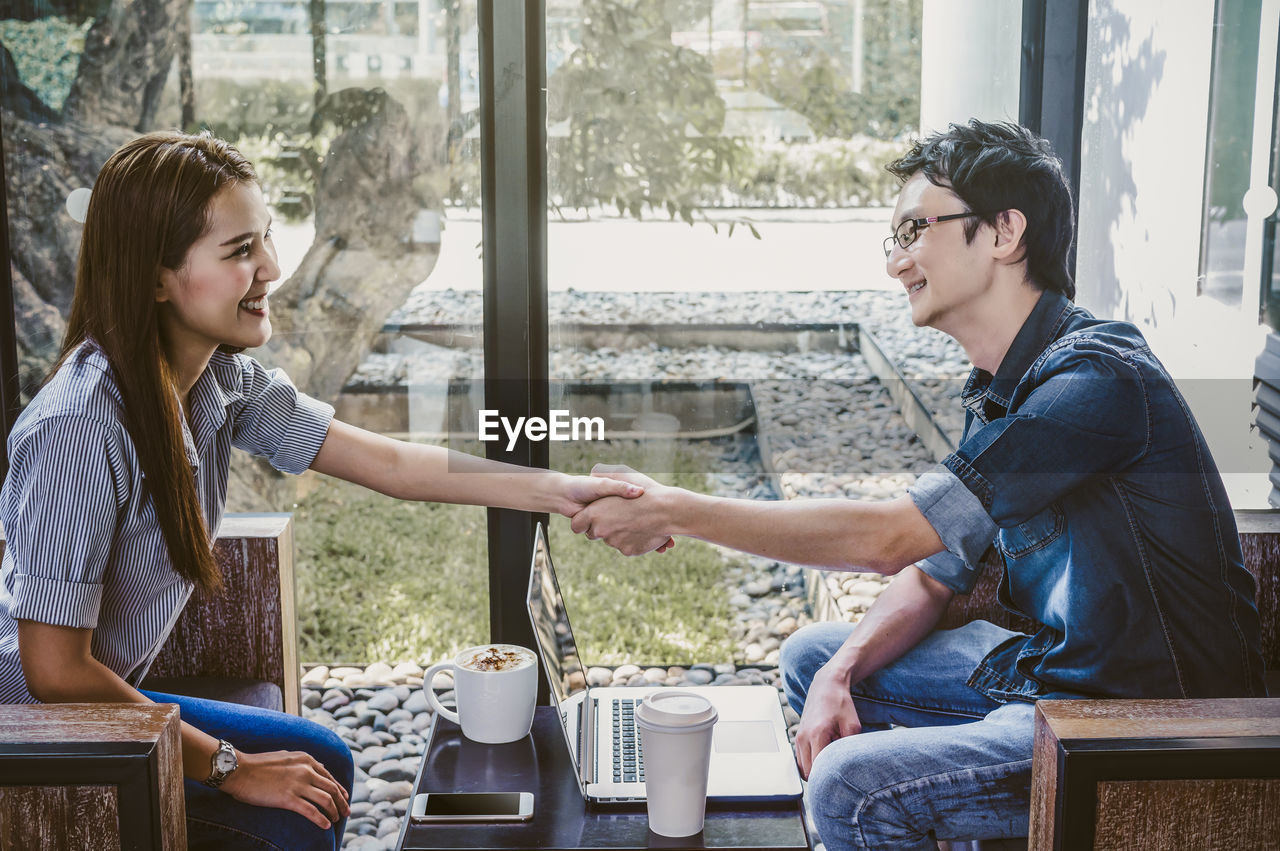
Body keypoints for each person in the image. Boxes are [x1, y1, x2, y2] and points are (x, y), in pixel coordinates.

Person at [570, 119, 1266, 849]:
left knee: (849, 787)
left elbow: (889, 538)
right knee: (814, 657)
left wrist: (678, 508)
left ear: (1004, 232)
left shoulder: (1095, 381)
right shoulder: (1007, 389)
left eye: (913, 232)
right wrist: (840, 672)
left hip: (1135, 729)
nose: (897, 264)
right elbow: (932, 572)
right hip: (1051, 681)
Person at [0, 131, 646, 851]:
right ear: (156, 276)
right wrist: (230, 766)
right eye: (240, 250)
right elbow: (54, 671)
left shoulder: (218, 381)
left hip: (98, 714)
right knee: (289, 820)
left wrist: (562, 490)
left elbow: (393, 466)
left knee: (325, 759)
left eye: (267, 238)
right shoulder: (79, 428)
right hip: (33, 741)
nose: (272, 268)